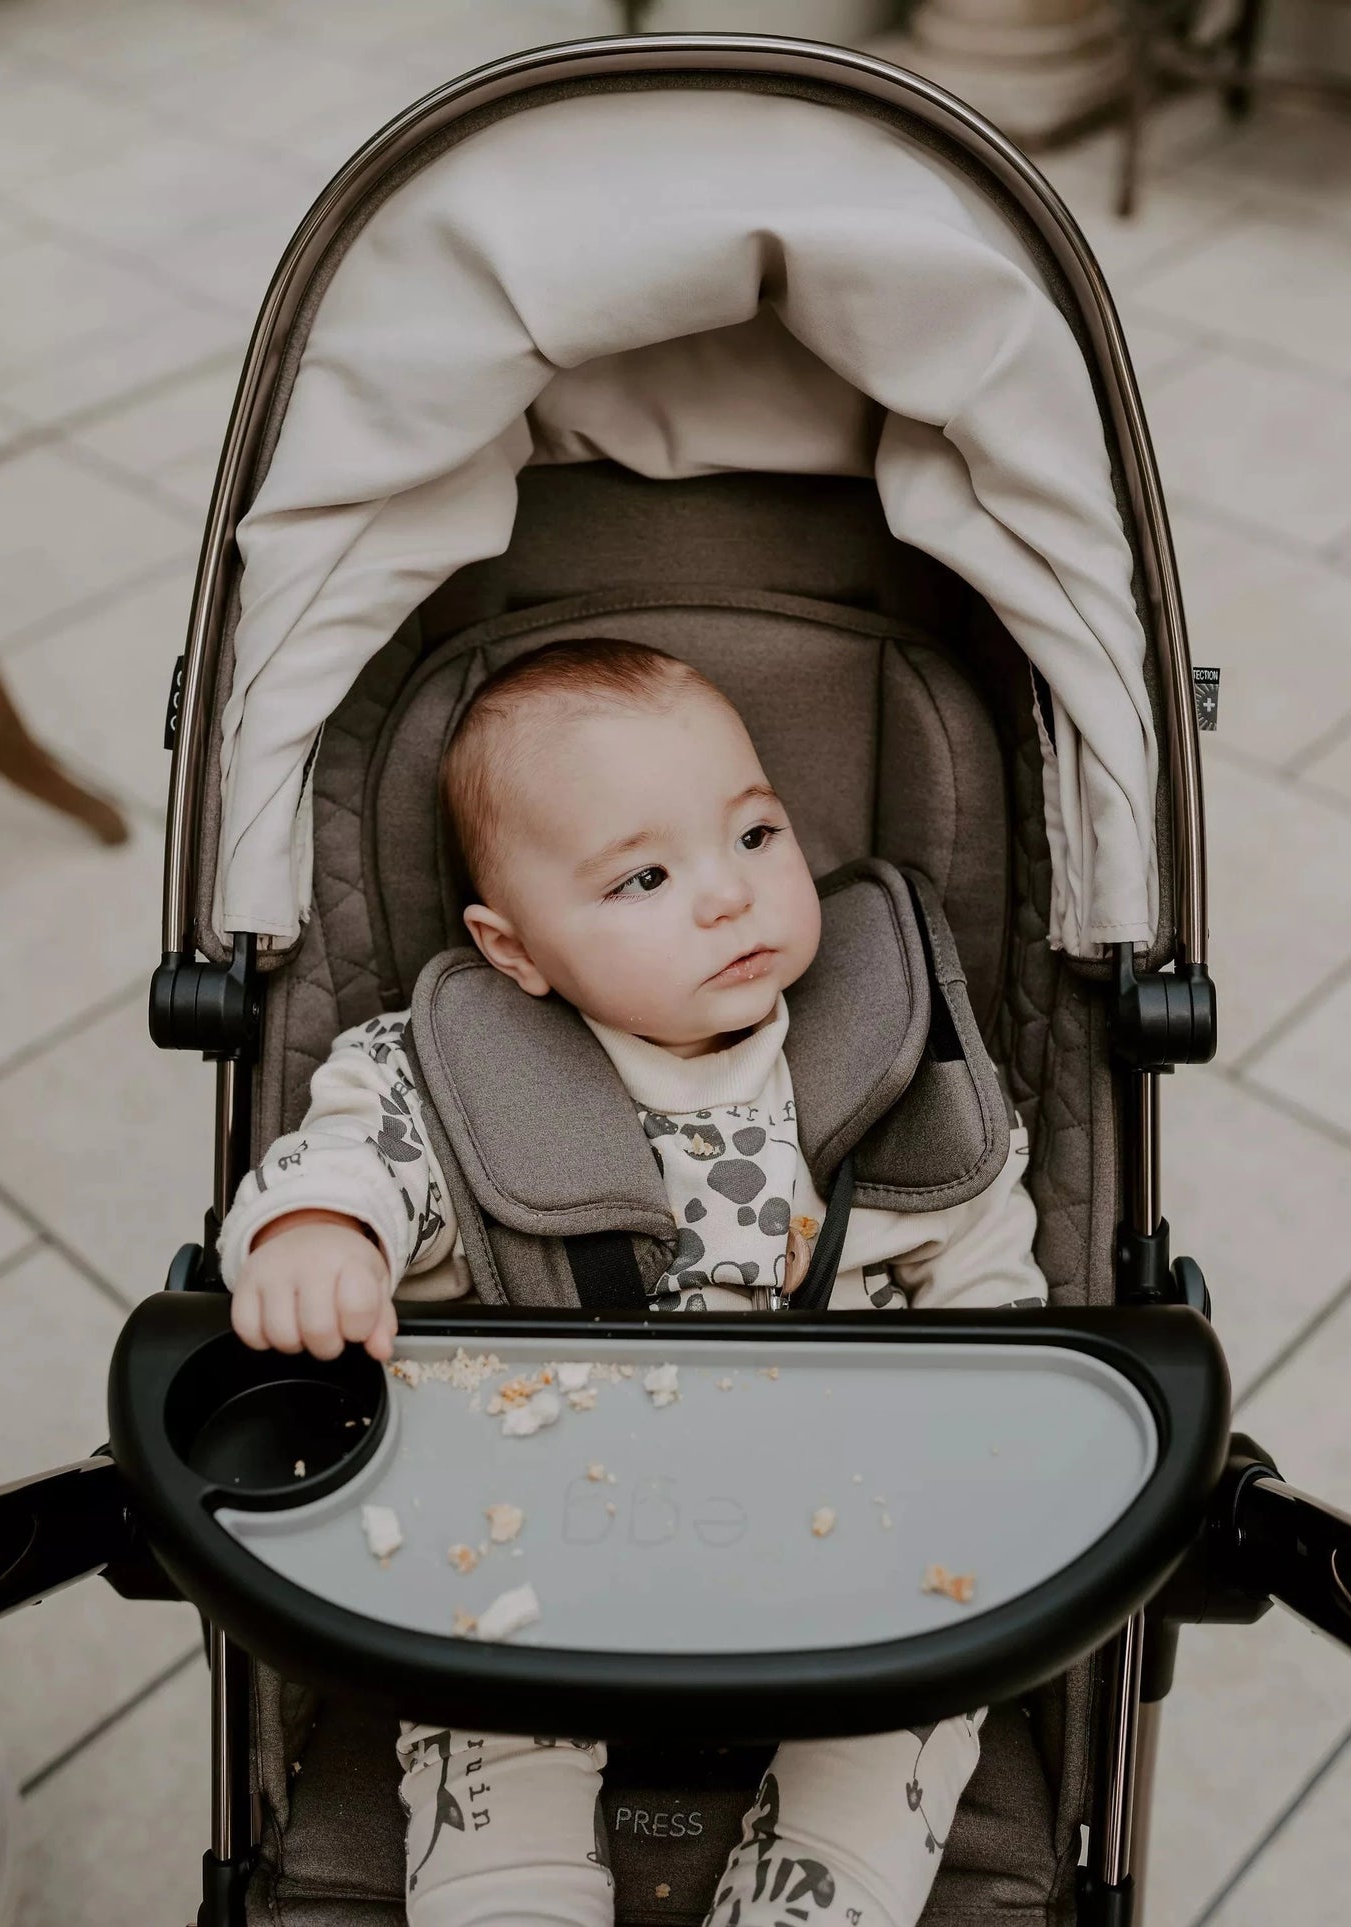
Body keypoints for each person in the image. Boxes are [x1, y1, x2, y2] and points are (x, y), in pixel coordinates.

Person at [220, 638, 1048, 1927]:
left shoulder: (886, 1053)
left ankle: (816, 1888)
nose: (729, 897)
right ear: (515, 950)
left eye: (758, 834)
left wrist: (996, 1417)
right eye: (646, 876)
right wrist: (323, 1233)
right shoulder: (454, 1077)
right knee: (479, 1700)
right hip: (537, 1546)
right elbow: (352, 1155)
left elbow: (985, 1248)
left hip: (854, 1538)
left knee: (927, 1690)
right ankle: (512, 1890)